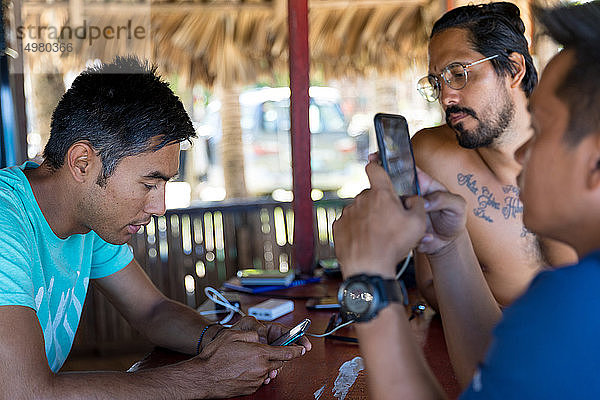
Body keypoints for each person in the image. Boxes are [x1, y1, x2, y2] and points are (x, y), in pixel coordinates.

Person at [0, 57, 310, 399]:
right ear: (83, 163)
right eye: (150, 183)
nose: (159, 207)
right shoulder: (6, 219)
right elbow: (23, 392)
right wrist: (207, 378)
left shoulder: (88, 217)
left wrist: (224, 339)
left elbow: (152, 310)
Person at [333, 2, 600, 398]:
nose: (524, 155)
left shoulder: (574, 301)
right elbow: (492, 376)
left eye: (541, 129)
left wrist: (366, 281)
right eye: (438, 82)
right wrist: (448, 247)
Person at [411, 2, 577, 309]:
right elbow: (431, 284)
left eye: (458, 73)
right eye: (437, 82)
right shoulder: (432, 155)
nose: (446, 96)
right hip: (490, 349)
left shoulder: (583, 150)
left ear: (513, 69)